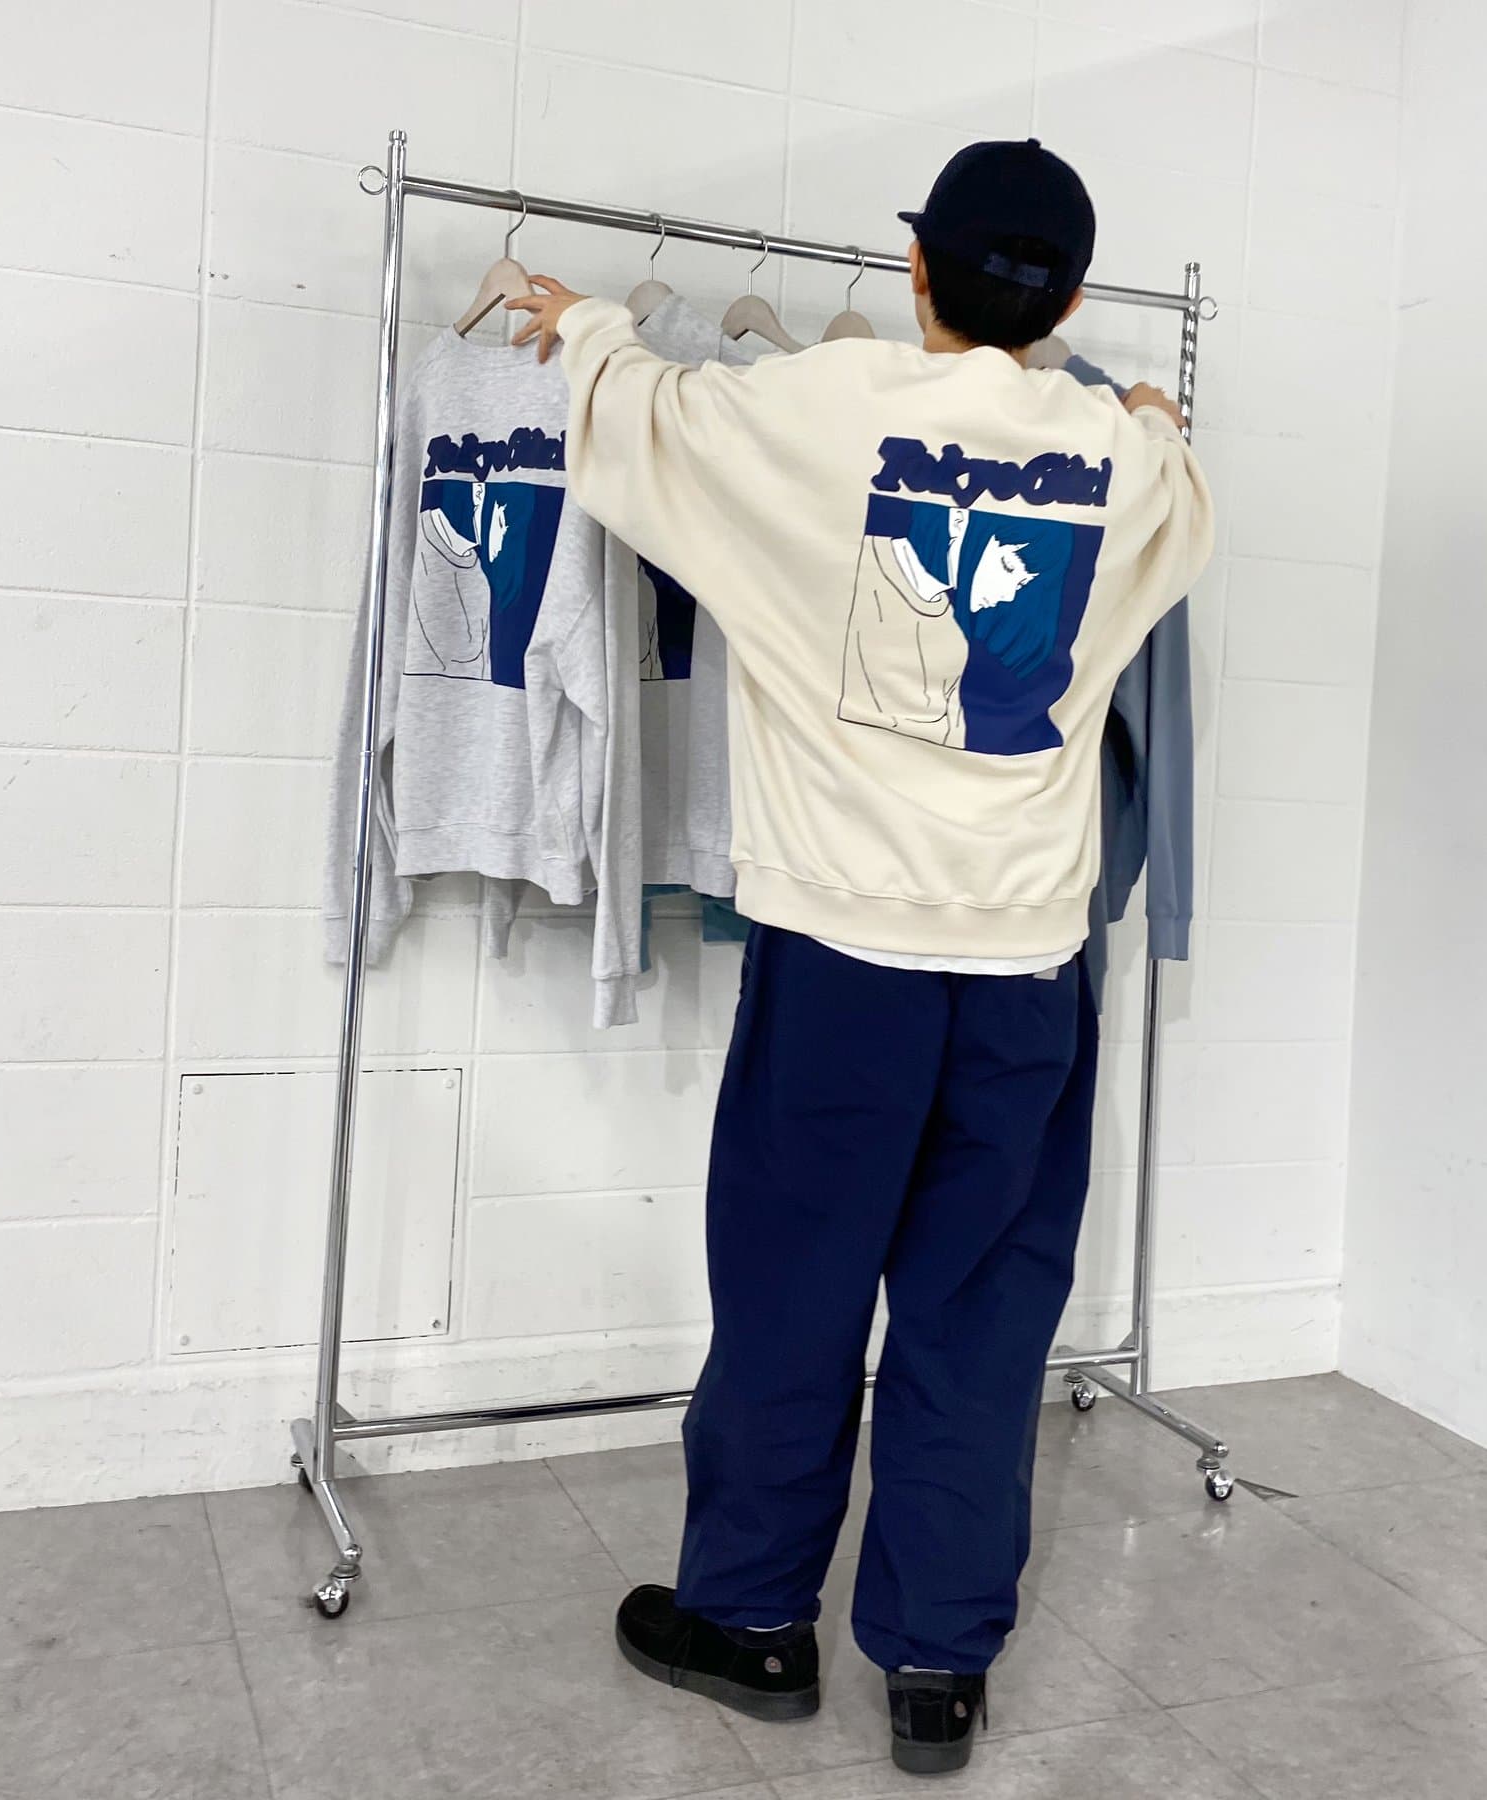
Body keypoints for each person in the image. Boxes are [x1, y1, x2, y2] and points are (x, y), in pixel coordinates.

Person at [509, 139, 1213, 1777]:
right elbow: (1175, 490)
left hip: (841, 960)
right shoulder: (1128, 464)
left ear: (917, 273)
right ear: (1071, 302)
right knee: (980, 1313)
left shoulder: (816, 408)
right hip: (1027, 969)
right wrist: (1150, 415)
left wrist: (584, 321)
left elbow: (634, 426)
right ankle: (938, 1668)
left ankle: (754, 1622)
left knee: (793, 1288)